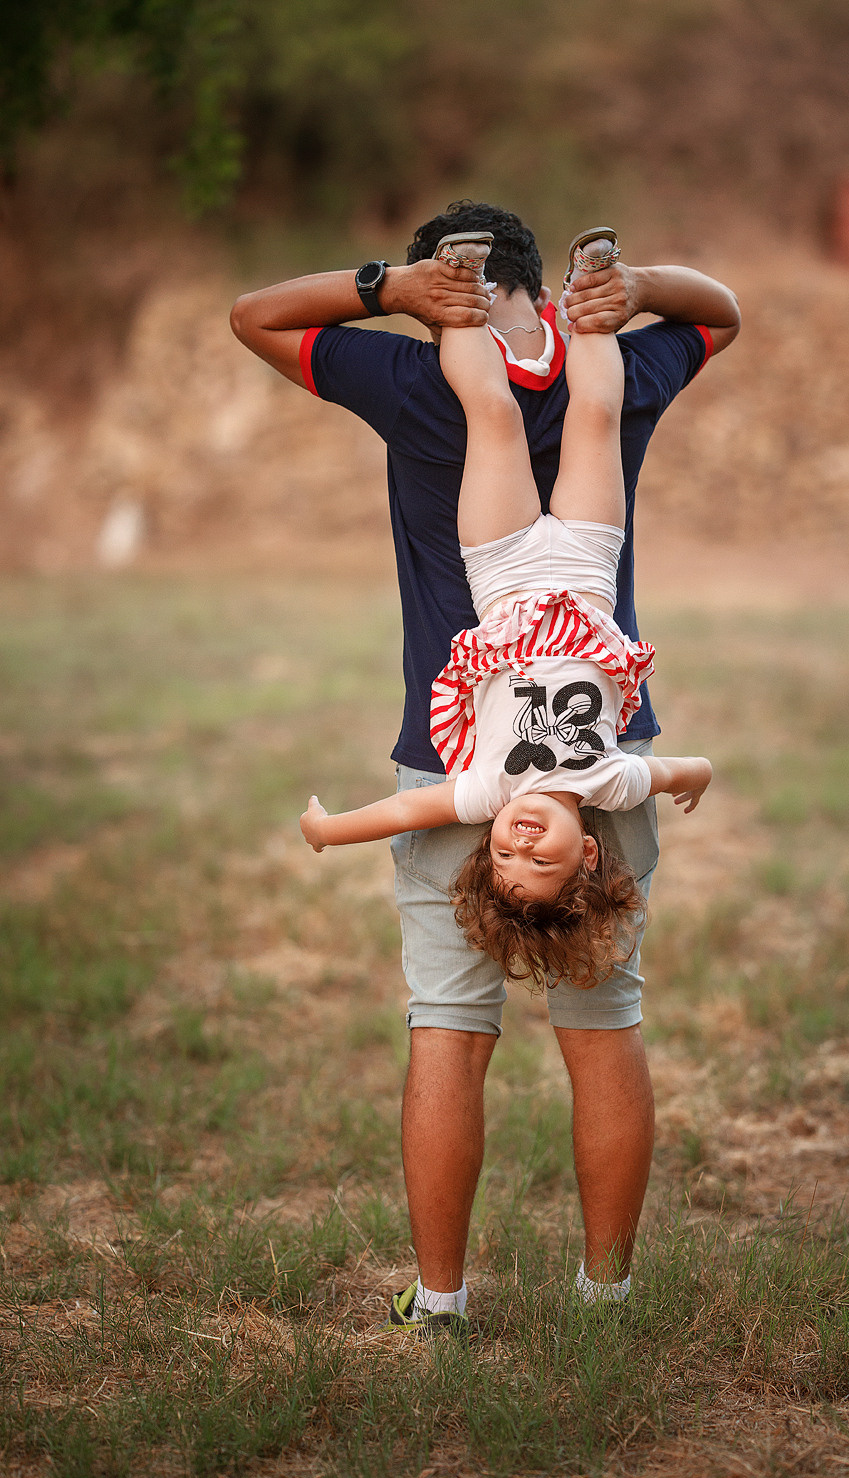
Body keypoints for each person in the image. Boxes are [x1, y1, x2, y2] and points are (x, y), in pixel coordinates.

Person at [230, 201, 740, 1337]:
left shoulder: (415, 382)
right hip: (609, 756)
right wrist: (643, 281)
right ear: (530, 276)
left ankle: (443, 1299)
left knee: (445, 1032)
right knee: (603, 1026)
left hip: (452, 755)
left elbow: (252, 315)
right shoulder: (620, 361)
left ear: (443, 285)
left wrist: (384, 291)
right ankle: (605, 1294)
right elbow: (726, 315)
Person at [299, 227, 713, 1001]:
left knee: (490, 414)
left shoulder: (488, 787)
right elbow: (675, 770)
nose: (520, 849)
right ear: (588, 856)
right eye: (542, 862)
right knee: (595, 411)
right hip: (588, 569)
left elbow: (404, 808)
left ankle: (459, 294)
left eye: (503, 863)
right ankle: (593, 283)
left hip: (501, 571)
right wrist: (697, 776)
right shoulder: (609, 783)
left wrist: (329, 830)